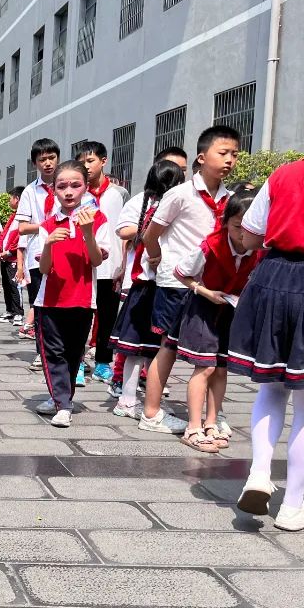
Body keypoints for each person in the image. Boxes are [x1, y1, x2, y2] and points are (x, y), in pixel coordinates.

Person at [228, 98, 304, 530]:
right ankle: (293, 506)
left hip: (274, 279)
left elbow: (250, 235)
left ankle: (259, 473)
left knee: (270, 388)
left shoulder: (283, 175)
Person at [140, 125, 240, 433]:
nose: (229, 160)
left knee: (214, 355)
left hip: (213, 287)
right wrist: (158, 260)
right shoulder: (180, 194)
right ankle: (151, 412)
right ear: (201, 157)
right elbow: (151, 234)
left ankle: (212, 416)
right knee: (168, 347)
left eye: (234, 154)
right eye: (222, 153)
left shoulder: (231, 199)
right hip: (177, 283)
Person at [172, 192, 258, 452]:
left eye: (249, 227)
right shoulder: (210, 245)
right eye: (236, 226)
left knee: (221, 369)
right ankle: (193, 427)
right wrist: (206, 291)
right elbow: (181, 273)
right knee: (205, 368)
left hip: (231, 312)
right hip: (204, 309)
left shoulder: (259, 249)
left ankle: (212, 422)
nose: (243, 234)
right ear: (225, 223)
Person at [33, 160, 107, 427]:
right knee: (53, 353)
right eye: (62, 186)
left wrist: (87, 232)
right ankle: (63, 403)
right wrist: (50, 244)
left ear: (86, 188)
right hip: (50, 301)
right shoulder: (48, 224)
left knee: (75, 353)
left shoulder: (98, 220)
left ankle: (61, 399)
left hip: (83, 300)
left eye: (75, 185)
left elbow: (96, 260)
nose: (68, 191)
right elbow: (43, 268)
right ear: (53, 190)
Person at [109, 159, 186, 417]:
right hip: (148, 287)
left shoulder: (167, 204)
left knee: (153, 350)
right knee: (137, 348)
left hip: (159, 286)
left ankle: (143, 402)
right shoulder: (150, 206)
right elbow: (125, 230)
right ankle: (128, 401)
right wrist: (152, 242)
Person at [75, 141, 126, 385]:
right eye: (82, 161)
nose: (86, 166)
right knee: (80, 317)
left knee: (108, 317)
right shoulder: (76, 194)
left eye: (90, 161)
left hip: (110, 265)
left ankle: (104, 363)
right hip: (83, 266)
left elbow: (123, 232)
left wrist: (123, 265)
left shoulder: (118, 195)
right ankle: (76, 362)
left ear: (103, 161)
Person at [16, 138, 61, 365]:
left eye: (52, 158)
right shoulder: (30, 193)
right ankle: (41, 351)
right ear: (35, 163)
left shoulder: (68, 186)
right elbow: (22, 227)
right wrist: (49, 225)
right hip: (38, 256)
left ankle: (65, 353)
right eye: (42, 159)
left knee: (63, 306)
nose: (48, 163)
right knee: (39, 306)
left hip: (64, 255)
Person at [0, 188, 24, 324]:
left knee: (15, 285)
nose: (9, 201)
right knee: (6, 285)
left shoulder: (23, 216)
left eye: (10, 198)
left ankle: (19, 312)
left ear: (17, 199)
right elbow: (4, 234)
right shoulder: (14, 216)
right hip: (4, 256)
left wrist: (10, 251)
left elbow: (20, 237)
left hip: (13, 257)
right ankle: (10, 310)